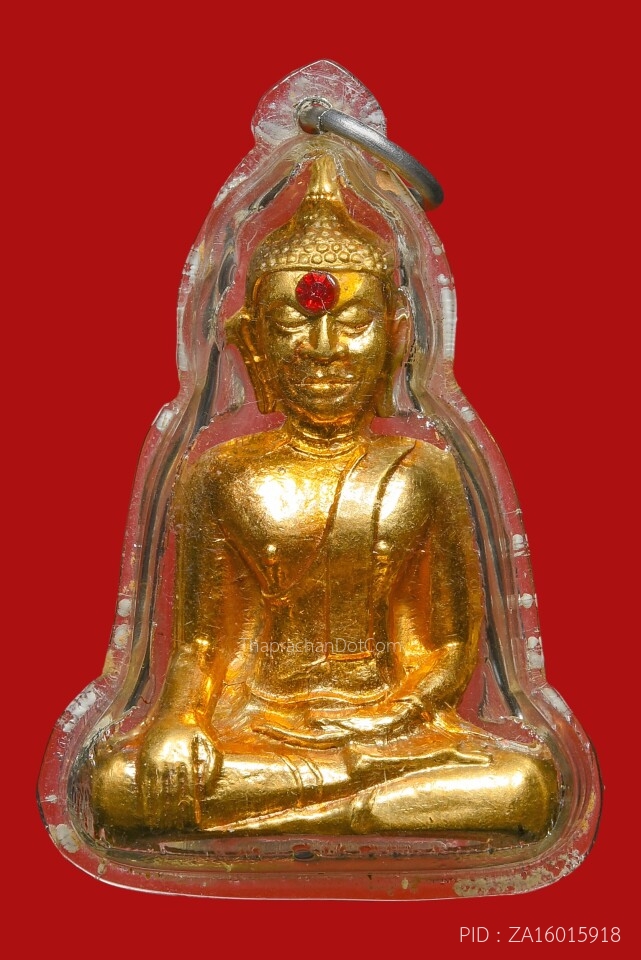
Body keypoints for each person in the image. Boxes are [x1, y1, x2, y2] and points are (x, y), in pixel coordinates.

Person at [92, 156, 558, 838]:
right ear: (252, 344)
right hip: (258, 729)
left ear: (397, 339)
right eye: (292, 325)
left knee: (521, 783)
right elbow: (197, 645)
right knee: (118, 783)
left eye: (353, 322)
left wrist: (390, 719)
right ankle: (356, 813)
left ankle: (304, 814)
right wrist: (175, 724)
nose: (323, 349)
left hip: (393, 736)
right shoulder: (219, 473)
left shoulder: (423, 469)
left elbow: (452, 646)